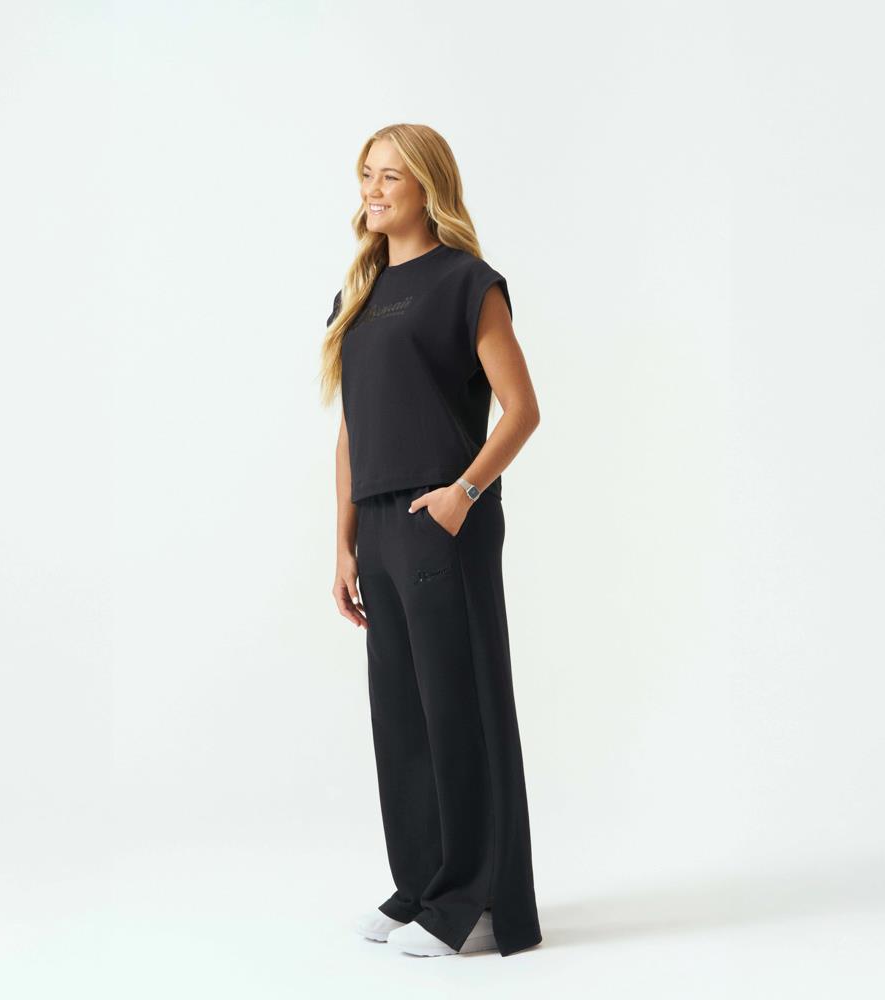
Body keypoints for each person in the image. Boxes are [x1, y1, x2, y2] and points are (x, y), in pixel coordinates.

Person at [320, 123, 543, 958]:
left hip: (442, 516)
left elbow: (522, 409)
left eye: (390, 177)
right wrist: (342, 544)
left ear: (427, 188)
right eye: (366, 175)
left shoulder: (466, 284)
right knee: (402, 716)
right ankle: (421, 886)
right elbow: (351, 431)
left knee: (459, 708)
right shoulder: (358, 295)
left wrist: (463, 493)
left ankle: (475, 902)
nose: (372, 190)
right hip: (377, 526)